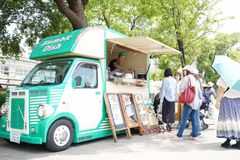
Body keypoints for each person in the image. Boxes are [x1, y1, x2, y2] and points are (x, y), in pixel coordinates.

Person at [176, 65, 202, 139]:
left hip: (189, 101)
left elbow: (181, 88)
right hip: (195, 102)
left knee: (184, 118)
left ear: (187, 71)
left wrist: (180, 96)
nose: (183, 72)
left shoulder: (186, 78)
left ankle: (179, 134)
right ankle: (194, 134)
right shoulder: (194, 79)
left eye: (184, 70)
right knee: (193, 118)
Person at [215, 77, 240, 149]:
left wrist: (217, 102)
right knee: (236, 120)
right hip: (238, 101)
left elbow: (221, 91)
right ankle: (237, 141)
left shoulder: (224, 78)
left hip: (227, 101)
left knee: (227, 120)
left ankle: (228, 140)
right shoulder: (237, 78)